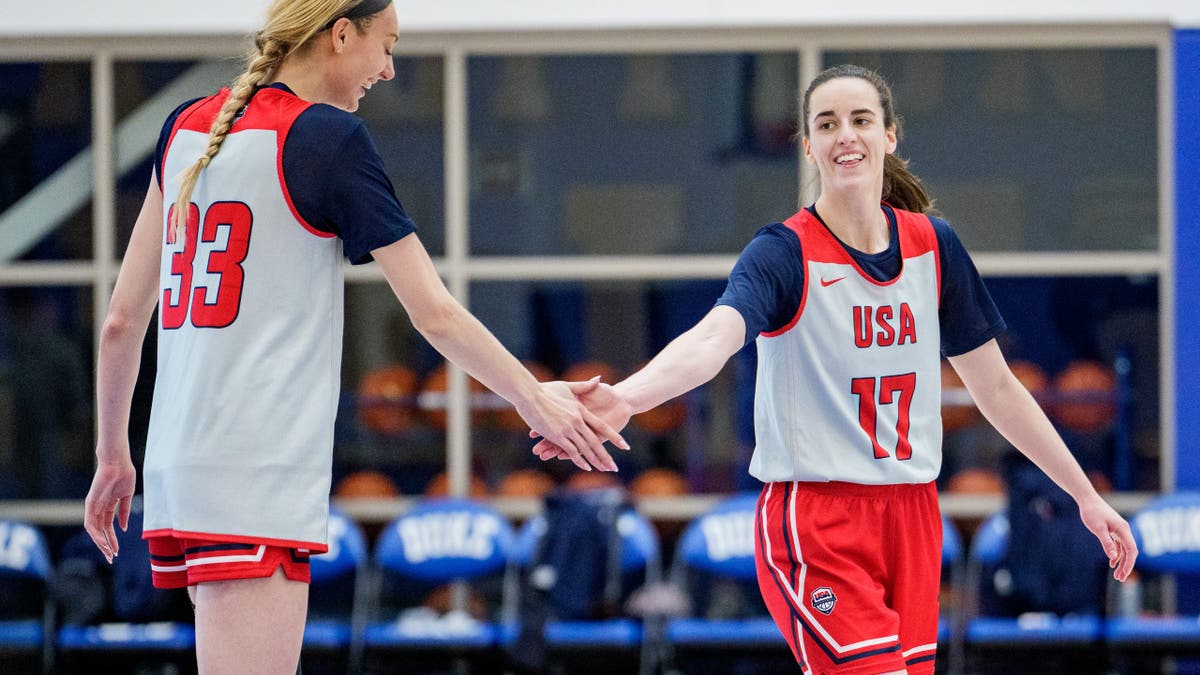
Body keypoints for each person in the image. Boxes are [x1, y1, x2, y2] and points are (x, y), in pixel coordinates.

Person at [534, 64, 1137, 674]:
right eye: (827, 124)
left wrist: (1084, 496)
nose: (845, 134)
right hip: (817, 518)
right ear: (809, 147)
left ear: (889, 136)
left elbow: (1000, 389)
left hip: (913, 514)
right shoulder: (784, 253)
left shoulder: (934, 247)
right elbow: (714, 339)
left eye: (860, 120)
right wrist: (628, 397)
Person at [82, 1, 625, 673]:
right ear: (341, 34)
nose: (390, 70)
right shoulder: (326, 139)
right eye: (386, 46)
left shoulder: (184, 126)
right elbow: (434, 313)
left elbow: (121, 322)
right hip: (255, 469)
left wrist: (114, 455)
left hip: (182, 468)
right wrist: (533, 397)